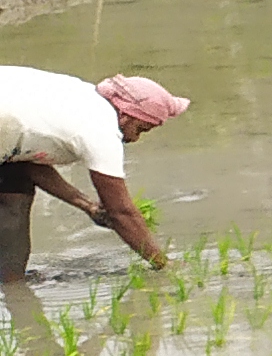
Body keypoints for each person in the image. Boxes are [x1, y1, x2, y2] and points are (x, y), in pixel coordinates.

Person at [0, 68, 186, 277]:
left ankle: (12, 285)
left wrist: (88, 206)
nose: (135, 139)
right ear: (126, 116)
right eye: (141, 129)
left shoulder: (78, 100)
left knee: (15, 197)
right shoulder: (101, 130)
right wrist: (163, 264)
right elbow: (121, 212)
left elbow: (28, 160)